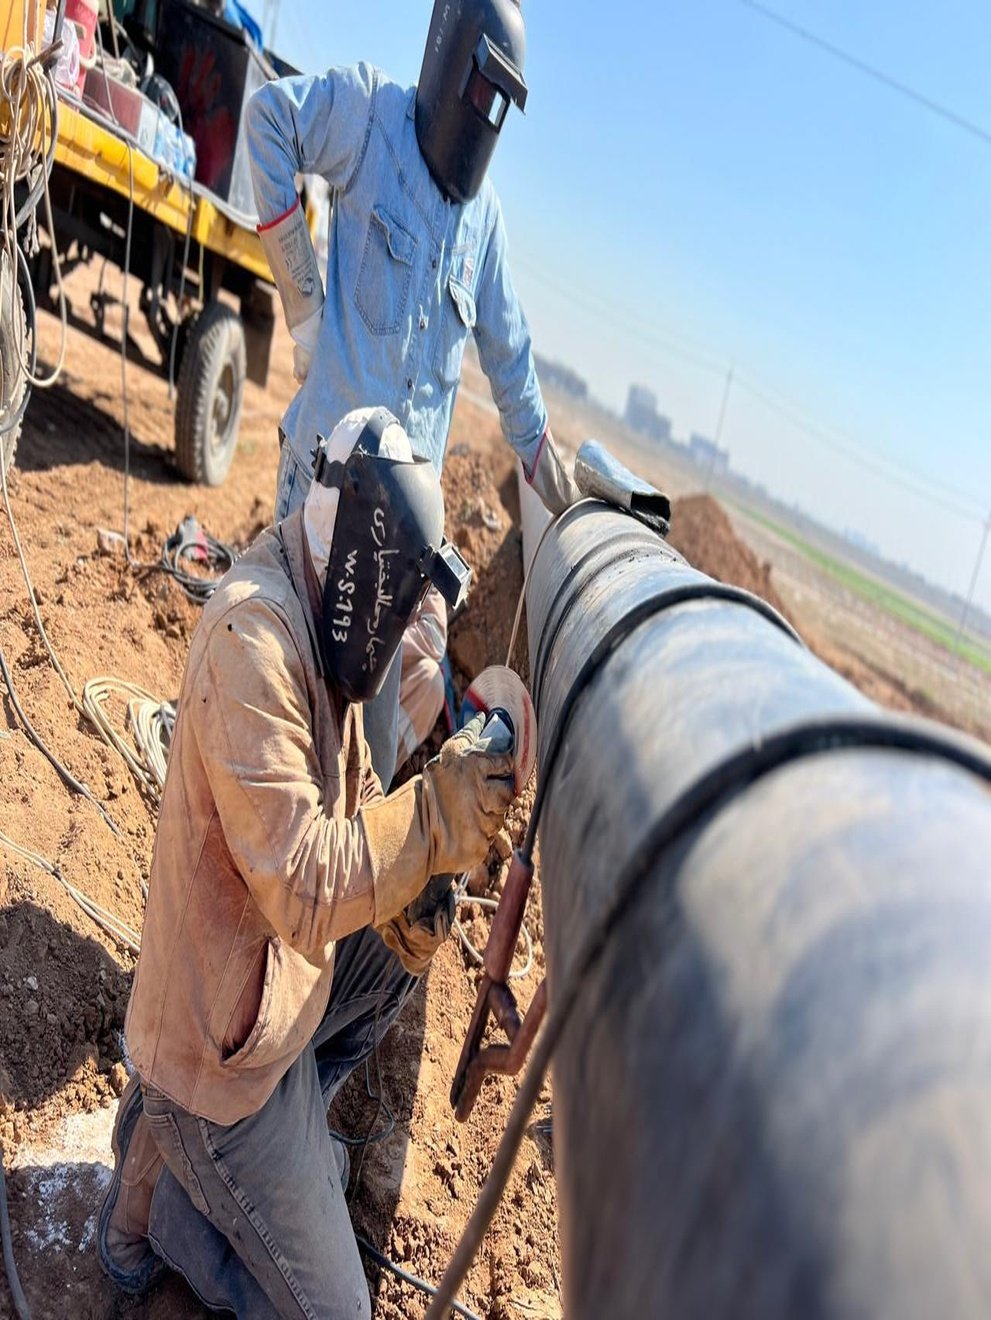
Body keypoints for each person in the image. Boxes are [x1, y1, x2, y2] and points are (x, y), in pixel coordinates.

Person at [97, 407, 519, 1317]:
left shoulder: (325, 615)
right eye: (396, 606)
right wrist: (431, 817)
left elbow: (356, 803)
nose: (398, 631)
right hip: (217, 1068)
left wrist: (414, 874)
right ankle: (173, 1209)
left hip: (266, 1000)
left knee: (402, 940)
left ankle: (268, 1161)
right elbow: (305, 885)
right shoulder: (252, 642)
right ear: (363, 567)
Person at [247, 0, 580, 787]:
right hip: (322, 494)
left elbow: (509, 353)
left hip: (398, 537)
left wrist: (553, 479)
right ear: (446, 58)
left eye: (499, 102)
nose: (482, 113)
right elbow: (267, 123)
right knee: (280, 701)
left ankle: (340, 854)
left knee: (361, 750)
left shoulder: (482, 222)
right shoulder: (367, 117)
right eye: (478, 88)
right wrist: (303, 304)